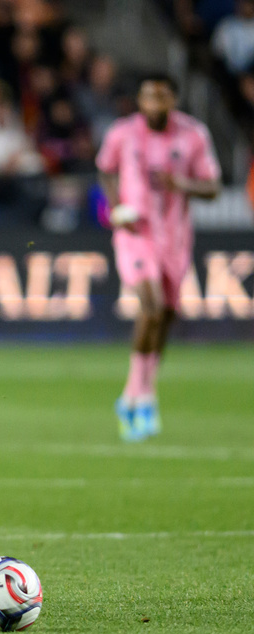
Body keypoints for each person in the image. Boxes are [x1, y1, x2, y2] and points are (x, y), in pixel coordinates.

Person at [96, 74, 220, 441]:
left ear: (173, 101)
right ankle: (145, 397)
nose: (154, 104)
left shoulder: (193, 135)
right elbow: (105, 170)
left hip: (175, 239)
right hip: (136, 235)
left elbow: (212, 186)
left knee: (165, 315)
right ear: (140, 100)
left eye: (162, 97)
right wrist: (116, 207)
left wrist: (181, 184)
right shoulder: (123, 133)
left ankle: (132, 394)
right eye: (148, 97)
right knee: (149, 306)